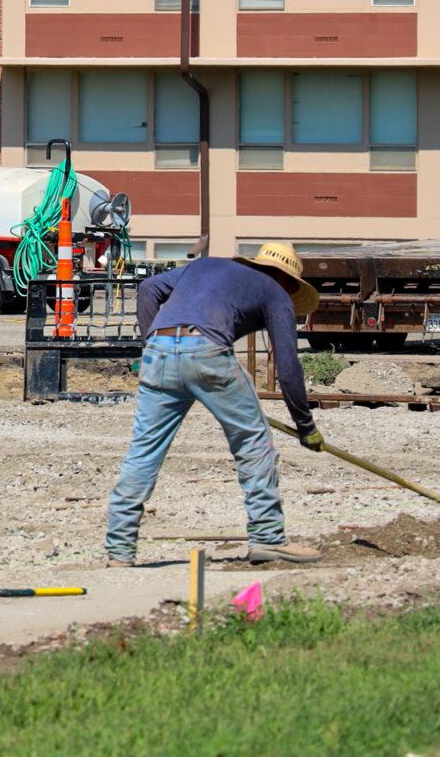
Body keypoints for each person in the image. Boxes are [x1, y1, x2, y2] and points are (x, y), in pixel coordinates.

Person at [105, 242, 327, 567]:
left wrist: (151, 344)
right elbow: (288, 365)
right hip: (207, 352)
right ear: (289, 282)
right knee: (253, 443)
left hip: (160, 350)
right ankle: (267, 538)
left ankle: (120, 550)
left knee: (144, 450)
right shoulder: (275, 291)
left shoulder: (206, 266)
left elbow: (149, 288)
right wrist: (305, 427)